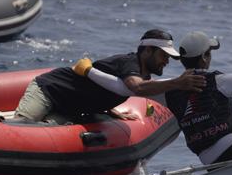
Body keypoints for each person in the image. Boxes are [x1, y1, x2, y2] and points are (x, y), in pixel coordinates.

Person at [73, 31, 232, 165]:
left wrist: (90, 71)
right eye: (210, 53)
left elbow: (129, 90)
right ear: (205, 58)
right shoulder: (222, 81)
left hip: (207, 162)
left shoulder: (167, 89)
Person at [14, 29, 205, 124]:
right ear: (147, 51)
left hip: (67, 107)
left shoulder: (143, 76)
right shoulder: (129, 63)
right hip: (49, 90)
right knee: (21, 126)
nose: (167, 61)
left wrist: (111, 111)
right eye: (164, 55)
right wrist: (178, 82)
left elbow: (104, 88)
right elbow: (135, 87)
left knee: (44, 132)